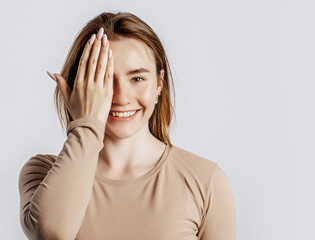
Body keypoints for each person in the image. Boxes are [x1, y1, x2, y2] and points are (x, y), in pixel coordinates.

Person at [18, 11, 236, 240]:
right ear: (80, 87)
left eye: (137, 78)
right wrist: (85, 125)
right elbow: (52, 234)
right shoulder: (41, 172)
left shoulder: (206, 180)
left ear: (159, 83)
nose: (121, 97)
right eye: (104, 80)